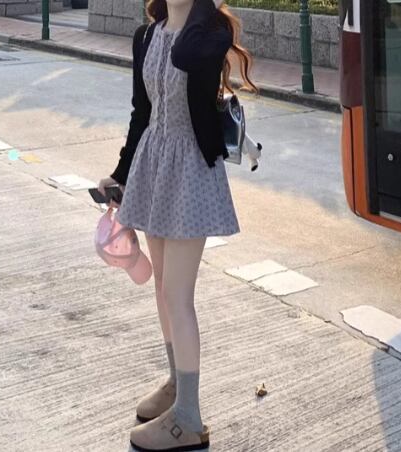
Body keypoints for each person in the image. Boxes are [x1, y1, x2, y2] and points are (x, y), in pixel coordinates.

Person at [98, 1, 257, 450]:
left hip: (190, 170)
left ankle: (189, 417)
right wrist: (120, 174)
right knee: (162, 286)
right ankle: (176, 385)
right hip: (154, 163)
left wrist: (194, 11)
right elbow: (141, 112)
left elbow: (186, 57)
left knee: (177, 295)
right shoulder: (147, 35)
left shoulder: (211, 32)